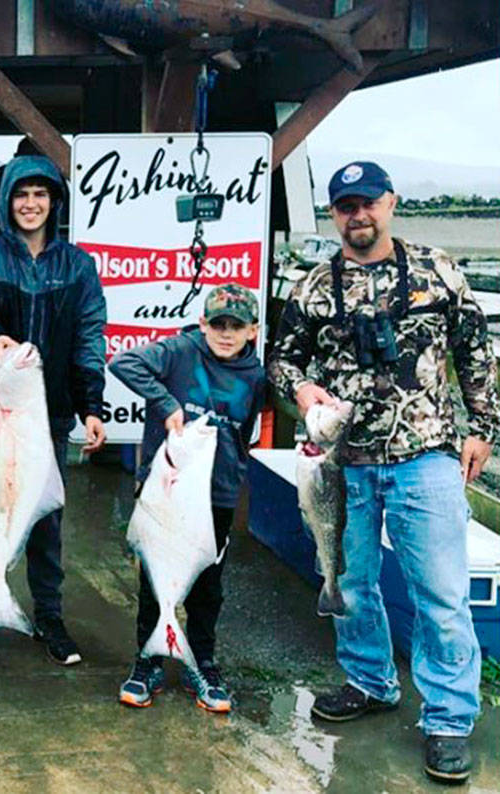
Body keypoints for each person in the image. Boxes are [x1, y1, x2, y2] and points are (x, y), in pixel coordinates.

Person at [268, 161, 499, 784]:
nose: (358, 215)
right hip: (341, 464)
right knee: (350, 581)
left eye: (368, 202)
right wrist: (303, 389)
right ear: (333, 214)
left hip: (426, 456)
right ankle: (369, 680)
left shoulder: (437, 269)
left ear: (391, 203)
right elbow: (282, 360)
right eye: (346, 206)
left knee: (441, 594)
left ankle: (448, 718)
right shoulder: (313, 287)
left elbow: (475, 351)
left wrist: (483, 428)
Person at [0, 153, 108, 669]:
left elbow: (89, 337)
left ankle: (49, 616)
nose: (31, 204)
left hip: (48, 415)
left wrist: (91, 406)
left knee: (45, 520)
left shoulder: (78, 266)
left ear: (55, 202)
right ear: (6, 201)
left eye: (41, 194)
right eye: (21, 194)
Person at [110, 284, 267, 713]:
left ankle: (202, 661)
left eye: (236, 326)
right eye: (218, 324)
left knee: (208, 585)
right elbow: (123, 363)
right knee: (154, 577)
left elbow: (245, 430)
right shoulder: (179, 351)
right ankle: (148, 660)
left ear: (253, 330)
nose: (226, 333)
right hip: (166, 490)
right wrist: (166, 404)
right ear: (202, 324)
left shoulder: (255, 376)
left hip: (215, 495)